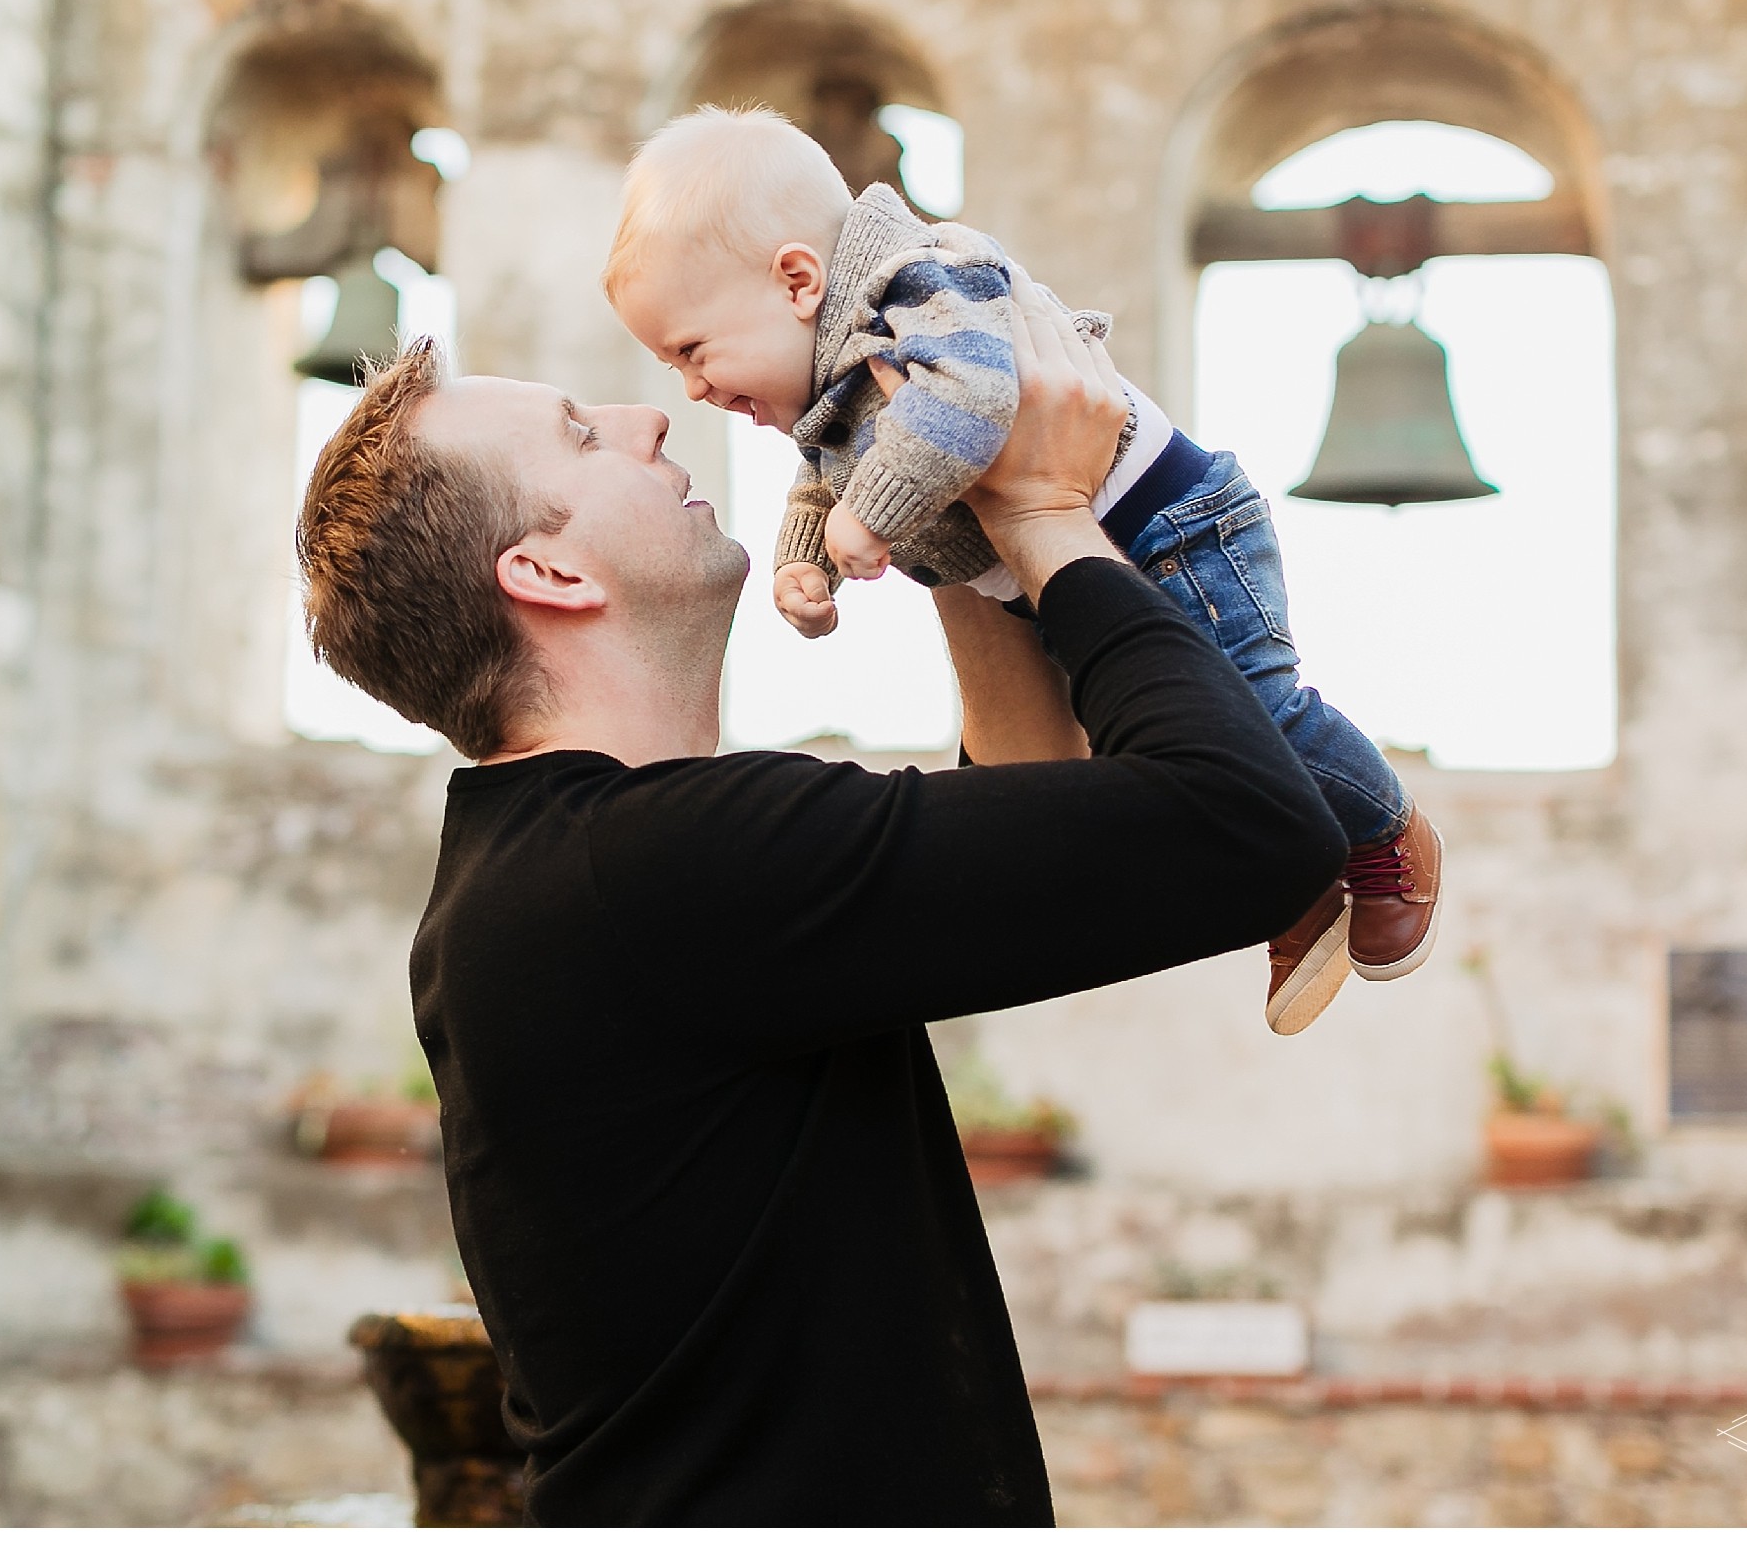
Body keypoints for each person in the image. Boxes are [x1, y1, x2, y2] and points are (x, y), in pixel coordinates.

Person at [292, 284, 1345, 1525]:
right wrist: (1047, 511)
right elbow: (1251, 827)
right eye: (583, 436)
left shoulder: (576, 871)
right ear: (544, 571)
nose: (648, 420)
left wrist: (954, 491)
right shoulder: (660, 870)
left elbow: (1049, 807)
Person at [601, 105, 1443, 1032]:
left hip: (1170, 529)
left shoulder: (921, 278)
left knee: (1255, 712)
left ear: (798, 280)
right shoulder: (832, 374)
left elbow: (977, 393)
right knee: (1154, 762)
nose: (691, 388)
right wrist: (808, 558)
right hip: (1058, 588)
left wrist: (868, 516)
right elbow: (827, 463)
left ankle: (1385, 832)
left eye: (692, 350)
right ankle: (1296, 884)